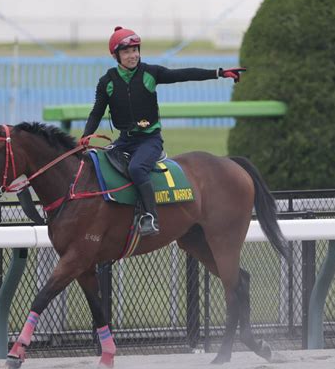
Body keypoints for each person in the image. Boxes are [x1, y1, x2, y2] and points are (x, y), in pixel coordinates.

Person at [80, 26, 245, 236]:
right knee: (98, 162)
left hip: (150, 141)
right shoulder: (107, 82)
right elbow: (96, 113)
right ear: (115, 55)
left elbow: (184, 75)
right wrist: (85, 136)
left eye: (135, 50)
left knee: (137, 169)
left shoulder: (151, 73)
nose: (133, 56)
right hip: (124, 141)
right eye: (127, 52)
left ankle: (151, 217)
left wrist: (219, 73)